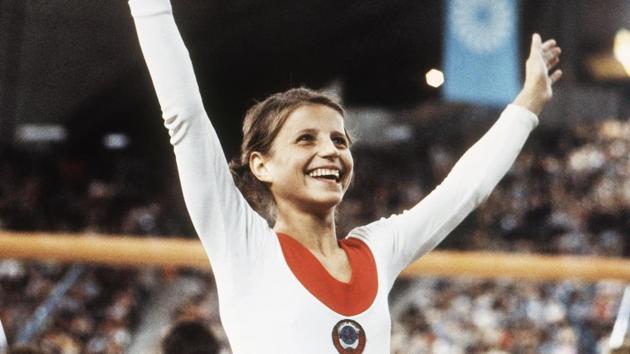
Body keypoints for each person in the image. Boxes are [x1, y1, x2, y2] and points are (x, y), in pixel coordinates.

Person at [127, 0, 562, 352]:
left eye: (339, 140)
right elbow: (183, 115)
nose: (329, 151)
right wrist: (151, 9)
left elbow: (465, 190)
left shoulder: (376, 251)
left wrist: (529, 102)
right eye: (305, 140)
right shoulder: (244, 245)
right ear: (260, 165)